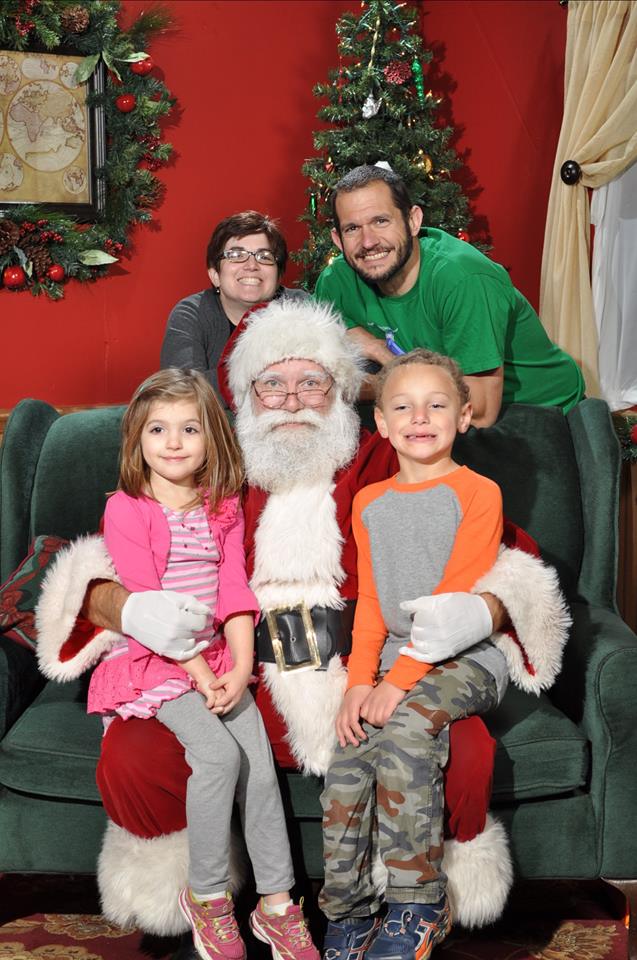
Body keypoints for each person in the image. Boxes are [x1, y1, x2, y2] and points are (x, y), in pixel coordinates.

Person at [36, 300, 570, 942]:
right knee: (133, 752)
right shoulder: (213, 466)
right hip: (237, 671)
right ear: (247, 397)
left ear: (342, 392)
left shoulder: (382, 461)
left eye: (311, 381)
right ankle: (195, 900)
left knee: (467, 749)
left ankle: (417, 901)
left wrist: (479, 609)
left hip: (362, 667)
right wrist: (124, 607)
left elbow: (506, 551)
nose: (292, 399)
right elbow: (116, 552)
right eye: (273, 383)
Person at [86, 368, 318, 960]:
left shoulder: (223, 506)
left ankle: (276, 906)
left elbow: (235, 591)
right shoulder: (126, 509)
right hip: (158, 659)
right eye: (158, 429)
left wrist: (239, 668)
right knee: (216, 756)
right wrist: (202, 674)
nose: (173, 441)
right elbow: (150, 607)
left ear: (211, 438)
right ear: (136, 439)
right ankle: (208, 897)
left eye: (189, 428)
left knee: (259, 769)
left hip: (218, 657)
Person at [320, 350, 505, 960]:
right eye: (402, 405)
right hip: (398, 657)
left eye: (436, 404)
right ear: (380, 423)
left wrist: (395, 685)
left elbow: (454, 598)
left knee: (405, 731)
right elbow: (372, 604)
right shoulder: (369, 502)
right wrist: (356, 683)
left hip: (466, 655)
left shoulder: (479, 493)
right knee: (347, 755)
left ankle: (416, 904)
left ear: (464, 416)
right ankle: (348, 909)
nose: (419, 417)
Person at [314, 164, 585, 427]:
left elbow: (479, 411)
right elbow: (331, 333)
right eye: (352, 229)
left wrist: (381, 381)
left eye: (381, 221)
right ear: (338, 240)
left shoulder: (463, 279)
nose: (368, 241)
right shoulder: (336, 281)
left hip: (535, 411)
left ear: (413, 221)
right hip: (437, 408)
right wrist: (378, 348)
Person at [160, 211, 307, 394]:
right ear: (215, 275)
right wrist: (273, 374)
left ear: (278, 277)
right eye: (236, 255)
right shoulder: (191, 314)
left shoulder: (300, 307)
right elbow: (184, 391)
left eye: (265, 256)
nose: (252, 265)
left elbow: (324, 380)